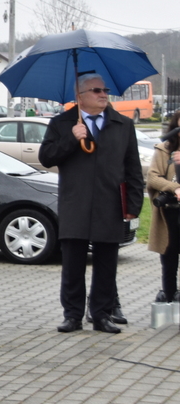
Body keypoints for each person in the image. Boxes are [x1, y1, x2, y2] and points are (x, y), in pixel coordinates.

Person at [39, 73, 144, 333]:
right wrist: (71, 138)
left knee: (107, 264)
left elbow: (133, 169)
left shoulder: (123, 125)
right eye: (96, 90)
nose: (103, 94)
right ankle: (72, 315)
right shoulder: (62, 123)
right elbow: (46, 157)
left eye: (105, 90)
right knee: (73, 264)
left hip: (109, 203)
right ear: (80, 97)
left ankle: (101, 314)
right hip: (75, 202)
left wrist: (133, 205)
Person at [147, 111, 180, 304]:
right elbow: (152, 177)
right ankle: (169, 296)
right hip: (169, 212)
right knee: (169, 258)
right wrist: (174, 188)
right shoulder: (164, 149)